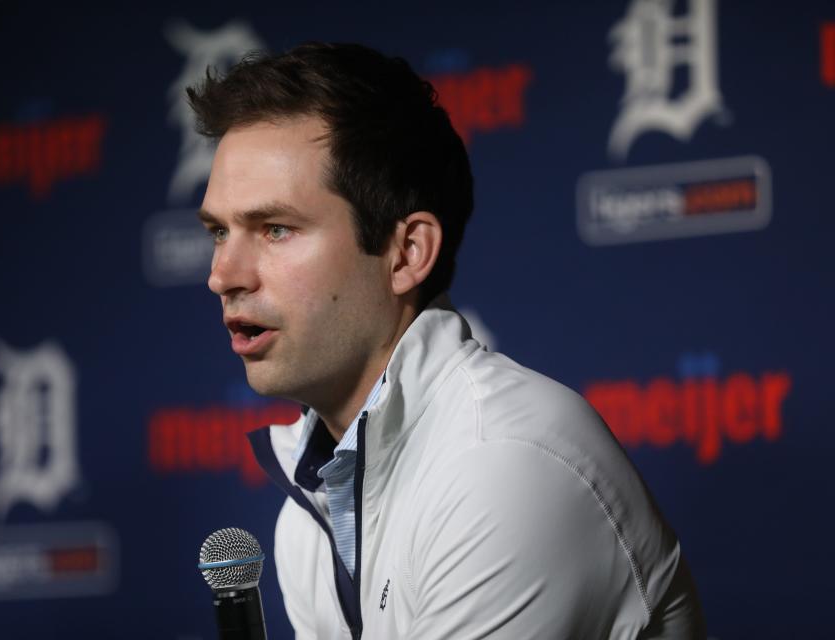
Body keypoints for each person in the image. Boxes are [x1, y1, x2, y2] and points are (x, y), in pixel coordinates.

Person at [189, 42, 705, 639]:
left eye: (275, 229)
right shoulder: (308, 517)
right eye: (218, 232)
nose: (223, 275)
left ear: (406, 254)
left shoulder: (503, 463)